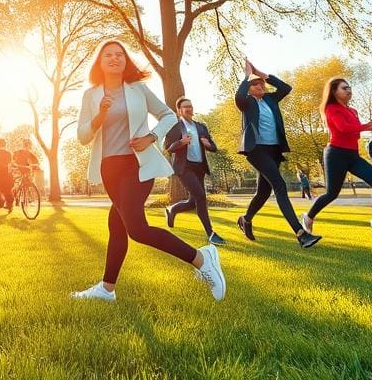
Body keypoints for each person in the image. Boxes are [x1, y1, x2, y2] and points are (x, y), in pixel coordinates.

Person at [71, 40, 225, 302]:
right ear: (99, 62)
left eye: (120, 54)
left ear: (125, 61)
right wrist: (100, 114)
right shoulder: (91, 95)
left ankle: (202, 259)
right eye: (108, 54)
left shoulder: (137, 89)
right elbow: (83, 136)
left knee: (136, 228)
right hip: (109, 168)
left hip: (137, 165)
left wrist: (151, 137)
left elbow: (167, 115)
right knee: (117, 226)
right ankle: (107, 289)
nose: (114, 58)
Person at [299, 78, 372, 256]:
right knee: (332, 193)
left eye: (350, 87)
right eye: (344, 88)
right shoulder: (330, 109)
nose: (349, 90)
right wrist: (365, 126)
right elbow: (342, 128)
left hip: (352, 155)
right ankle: (308, 216)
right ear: (334, 92)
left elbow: (354, 132)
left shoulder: (353, 111)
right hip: (335, 154)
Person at [234, 59, 320, 247]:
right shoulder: (246, 102)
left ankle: (245, 219)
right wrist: (247, 75)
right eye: (256, 85)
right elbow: (238, 95)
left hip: (273, 150)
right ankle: (300, 233)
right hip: (256, 150)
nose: (260, 86)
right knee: (280, 185)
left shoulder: (271, 100)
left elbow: (285, 88)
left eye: (262, 84)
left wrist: (262, 74)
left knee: (264, 192)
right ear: (249, 89)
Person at [164, 97, 226, 245]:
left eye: (190, 106)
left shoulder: (201, 127)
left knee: (193, 202)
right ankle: (210, 233)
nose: (189, 109)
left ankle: (172, 209)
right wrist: (180, 142)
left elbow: (213, 147)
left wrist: (208, 144)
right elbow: (168, 148)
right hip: (184, 168)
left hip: (199, 168)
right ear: (179, 111)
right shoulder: (176, 128)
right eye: (185, 107)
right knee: (200, 196)